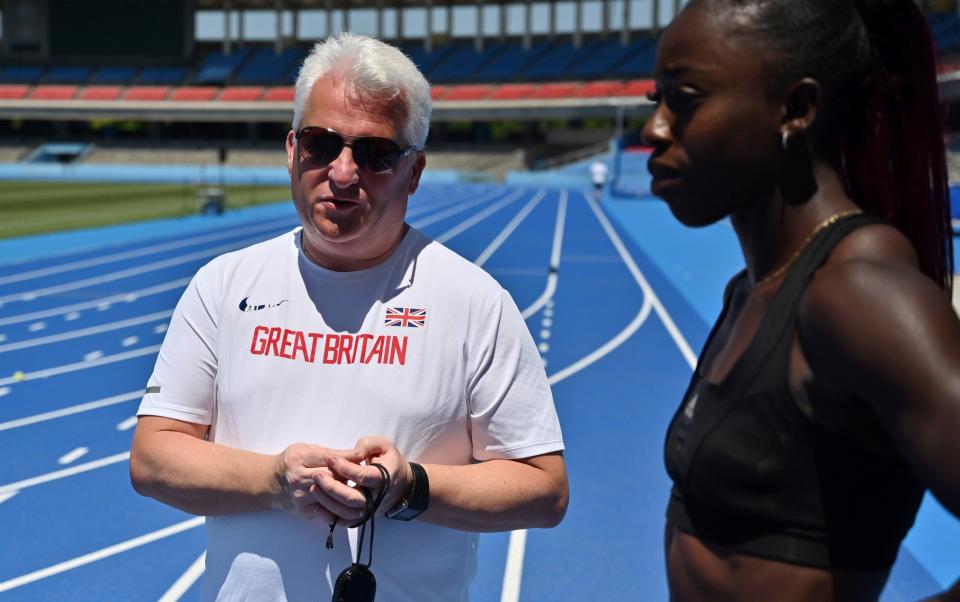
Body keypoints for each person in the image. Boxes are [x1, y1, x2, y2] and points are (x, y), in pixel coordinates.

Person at [130, 33, 568, 602]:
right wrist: (274, 481)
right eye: (320, 144)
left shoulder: (473, 301)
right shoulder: (223, 285)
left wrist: (411, 487)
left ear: (414, 172)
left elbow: (544, 489)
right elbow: (153, 455)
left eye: (375, 153)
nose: (342, 173)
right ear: (292, 150)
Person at [643, 1, 960, 600]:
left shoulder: (858, 295)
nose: (653, 129)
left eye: (683, 100)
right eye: (653, 101)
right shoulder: (753, 289)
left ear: (796, 109)